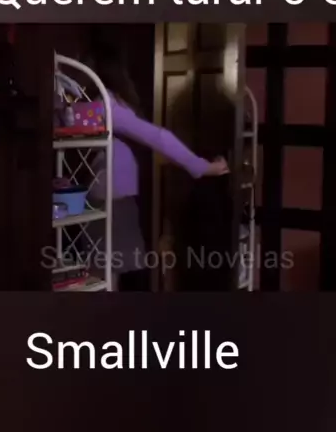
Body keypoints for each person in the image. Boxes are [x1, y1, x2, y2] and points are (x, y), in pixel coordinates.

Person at [85, 44, 229, 290]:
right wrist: (203, 167)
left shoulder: (106, 102)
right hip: (110, 197)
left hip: (112, 195)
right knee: (106, 272)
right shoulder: (106, 103)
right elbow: (157, 137)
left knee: (110, 271)